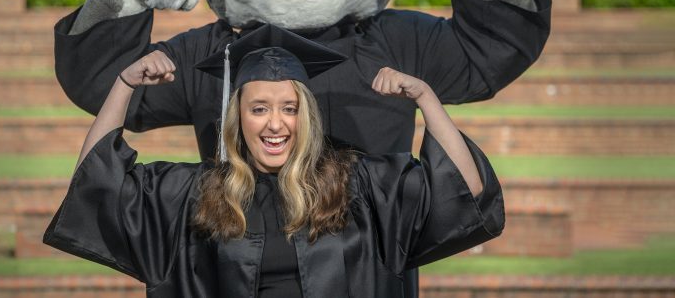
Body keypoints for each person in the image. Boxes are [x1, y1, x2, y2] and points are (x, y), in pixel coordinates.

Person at [44, 25, 504, 298]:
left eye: (289, 108)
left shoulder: (356, 186)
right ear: (237, 117)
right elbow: (96, 186)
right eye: (259, 108)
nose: (275, 124)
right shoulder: (199, 195)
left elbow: (466, 191)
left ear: (306, 115)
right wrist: (124, 83)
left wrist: (426, 98)